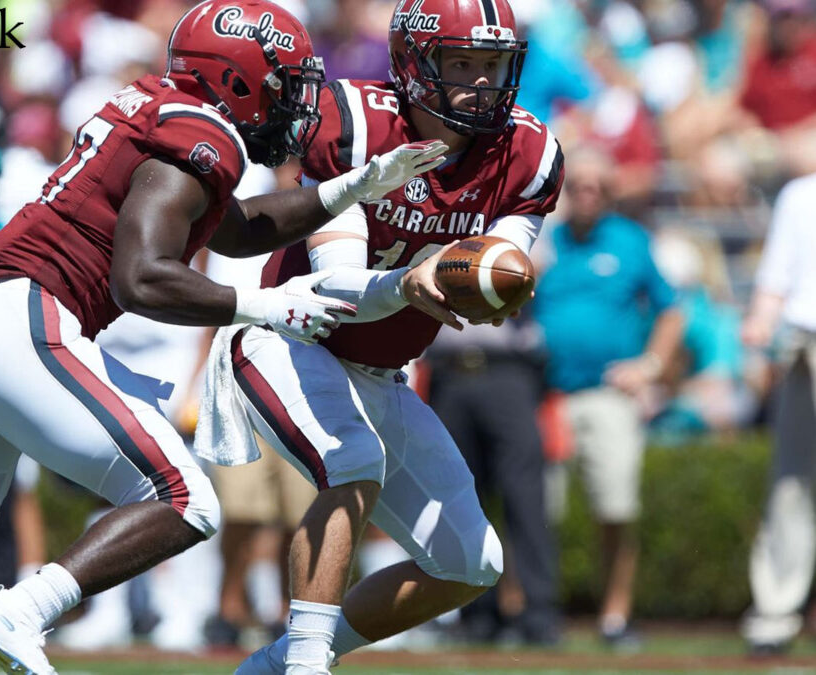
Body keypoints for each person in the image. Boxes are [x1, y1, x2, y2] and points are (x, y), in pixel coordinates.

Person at [0, 2, 446, 673]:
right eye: (283, 84)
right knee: (183, 497)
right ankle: (23, 608)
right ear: (238, 79)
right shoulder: (202, 133)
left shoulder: (167, 115)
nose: (293, 102)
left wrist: (347, 190)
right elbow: (143, 278)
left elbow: (236, 227)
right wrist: (264, 306)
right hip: (23, 318)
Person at [205, 0, 566, 671]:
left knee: (470, 562)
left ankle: (274, 661)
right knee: (352, 465)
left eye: (492, 64)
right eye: (461, 62)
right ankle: (307, 664)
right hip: (291, 337)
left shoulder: (528, 151)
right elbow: (337, 285)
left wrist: (493, 286)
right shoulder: (355, 125)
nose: (481, 82)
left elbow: (501, 263)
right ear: (413, 61)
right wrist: (406, 283)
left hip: (380, 373)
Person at [532, 148, 683, 648]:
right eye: (579, 186)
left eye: (598, 185)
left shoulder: (630, 242)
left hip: (608, 394)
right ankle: (530, 612)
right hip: (548, 395)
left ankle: (615, 615)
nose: (587, 193)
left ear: (611, 192)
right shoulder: (544, 243)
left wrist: (651, 366)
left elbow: (671, 311)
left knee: (616, 507)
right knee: (536, 510)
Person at [427, 320, 560, 646]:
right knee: (458, 499)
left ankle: (538, 614)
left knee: (525, 498)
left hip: (508, 371)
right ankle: (475, 613)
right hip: (448, 373)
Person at [739, 169, 816, 654]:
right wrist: (760, 322)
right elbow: (775, 277)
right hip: (804, 344)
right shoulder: (800, 194)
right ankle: (776, 611)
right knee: (791, 483)